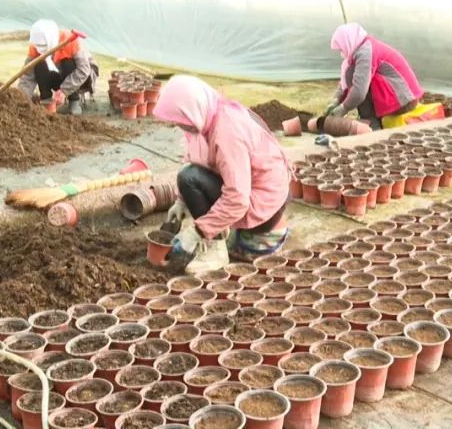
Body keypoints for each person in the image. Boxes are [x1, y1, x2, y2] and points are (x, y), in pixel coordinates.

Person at [153, 75, 291, 274]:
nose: (182, 127)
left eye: (182, 121)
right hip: (252, 191)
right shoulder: (208, 114)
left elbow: (237, 199)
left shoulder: (228, 131)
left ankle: (215, 249)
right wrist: (181, 202)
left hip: (265, 205)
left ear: (192, 108)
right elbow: (196, 158)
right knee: (188, 176)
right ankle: (218, 233)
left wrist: (197, 231)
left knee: (189, 178)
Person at [325, 22, 423, 129]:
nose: (341, 53)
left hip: (404, 100)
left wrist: (343, 108)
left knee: (360, 83)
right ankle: (369, 121)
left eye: (341, 48)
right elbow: (345, 82)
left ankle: (372, 124)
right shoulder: (360, 48)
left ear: (347, 42)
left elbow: (359, 91)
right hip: (400, 97)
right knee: (354, 76)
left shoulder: (365, 52)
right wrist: (336, 100)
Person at [17, 19, 98, 115]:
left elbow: (83, 70)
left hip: (79, 80)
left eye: (43, 45)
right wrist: (21, 99)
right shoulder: (35, 46)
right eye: (38, 45)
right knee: (39, 64)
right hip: (56, 77)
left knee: (69, 63)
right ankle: (46, 101)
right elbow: (27, 76)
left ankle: (74, 100)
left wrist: (64, 90)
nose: (40, 48)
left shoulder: (71, 40)